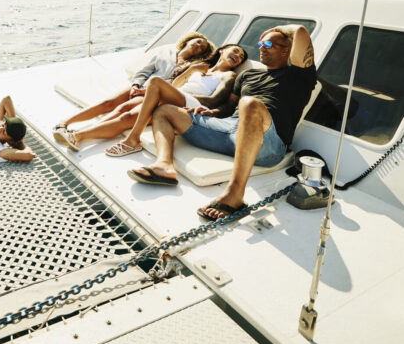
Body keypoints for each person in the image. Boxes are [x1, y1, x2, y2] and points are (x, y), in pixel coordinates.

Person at [127, 25, 315, 221]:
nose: (261, 47)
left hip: (268, 143)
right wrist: (211, 112)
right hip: (230, 130)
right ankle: (164, 166)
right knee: (165, 111)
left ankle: (234, 195)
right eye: (260, 43)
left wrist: (279, 29)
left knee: (249, 104)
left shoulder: (299, 76)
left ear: (286, 50)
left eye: (268, 43)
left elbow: (301, 32)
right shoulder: (247, 75)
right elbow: (227, 108)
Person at [53, 33, 215, 152]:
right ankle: (65, 123)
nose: (199, 45)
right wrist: (136, 85)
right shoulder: (165, 54)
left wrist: (145, 91)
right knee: (107, 103)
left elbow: (178, 87)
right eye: (198, 41)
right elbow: (144, 71)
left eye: (202, 47)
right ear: (189, 39)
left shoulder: (193, 66)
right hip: (140, 85)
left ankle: (80, 135)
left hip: (155, 93)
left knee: (123, 111)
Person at [109, 44, 248, 156]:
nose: (238, 56)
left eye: (241, 57)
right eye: (236, 51)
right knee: (127, 115)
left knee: (155, 82)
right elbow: (175, 86)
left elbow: (213, 101)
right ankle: (86, 135)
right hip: (179, 97)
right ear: (222, 51)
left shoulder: (229, 75)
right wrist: (191, 70)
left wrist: (173, 94)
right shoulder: (202, 67)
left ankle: (133, 138)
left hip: (196, 104)